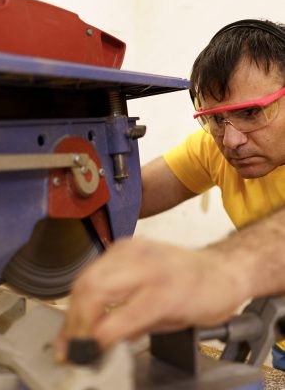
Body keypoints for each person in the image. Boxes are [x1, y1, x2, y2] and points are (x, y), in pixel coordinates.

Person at [55, 19, 285, 370]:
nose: (231, 141)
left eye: (252, 112)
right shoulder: (215, 148)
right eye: (217, 119)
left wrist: (221, 267)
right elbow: (130, 197)